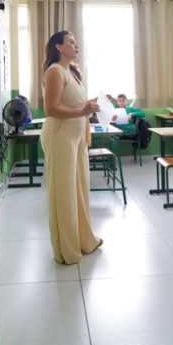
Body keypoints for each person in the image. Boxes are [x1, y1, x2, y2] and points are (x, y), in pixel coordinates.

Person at [40, 30, 103, 264]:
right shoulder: (55, 71)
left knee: (80, 190)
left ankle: (84, 240)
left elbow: (73, 104)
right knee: (65, 193)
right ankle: (67, 249)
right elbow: (50, 109)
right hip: (60, 137)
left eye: (75, 42)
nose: (76, 46)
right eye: (71, 42)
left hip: (76, 139)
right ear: (58, 47)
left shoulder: (71, 72)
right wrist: (82, 110)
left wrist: (88, 106)